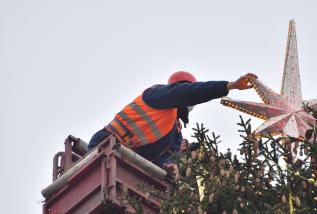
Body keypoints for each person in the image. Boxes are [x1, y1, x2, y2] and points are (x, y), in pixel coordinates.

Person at [88, 71, 257, 177]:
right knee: (91, 177)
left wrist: (171, 167)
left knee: (171, 159)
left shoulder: (175, 130)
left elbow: (170, 155)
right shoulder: (157, 94)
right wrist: (230, 86)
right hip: (106, 143)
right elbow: (191, 93)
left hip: (127, 159)